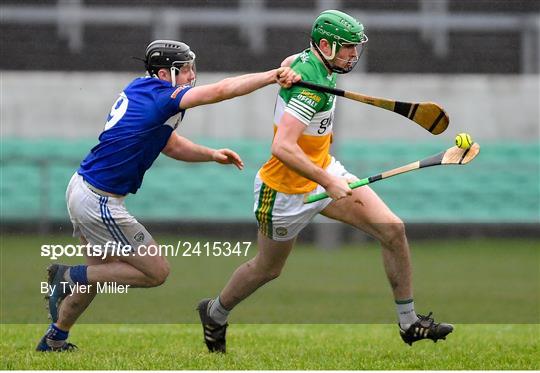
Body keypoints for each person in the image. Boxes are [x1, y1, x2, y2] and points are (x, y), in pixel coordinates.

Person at [197, 10, 453, 353]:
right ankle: (215, 313)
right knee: (267, 269)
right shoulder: (311, 89)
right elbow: (282, 147)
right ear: (323, 45)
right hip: (284, 192)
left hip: (322, 170)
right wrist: (327, 183)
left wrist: (284, 70)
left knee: (393, 229)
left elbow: (293, 61)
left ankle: (409, 323)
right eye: (346, 47)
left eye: (354, 47)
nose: (353, 54)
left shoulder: (315, 66)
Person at [36, 39, 300, 351]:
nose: (191, 75)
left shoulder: (143, 89)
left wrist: (210, 154)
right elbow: (221, 90)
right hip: (98, 200)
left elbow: (169, 143)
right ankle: (68, 276)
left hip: (85, 189)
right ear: (164, 74)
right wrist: (272, 75)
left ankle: (55, 338)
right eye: (184, 69)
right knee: (155, 271)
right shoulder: (162, 98)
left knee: (100, 273)